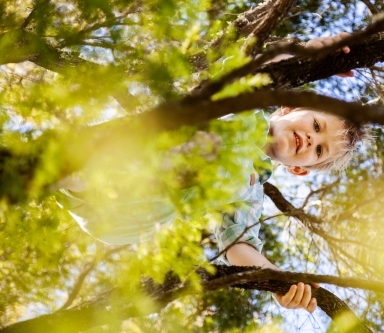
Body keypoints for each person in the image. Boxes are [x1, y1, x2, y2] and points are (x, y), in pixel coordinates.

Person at [57, 34, 367, 314]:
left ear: (299, 169)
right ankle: (60, 170)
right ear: (289, 107)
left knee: (230, 177)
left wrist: (278, 282)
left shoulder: (249, 194)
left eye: (319, 151)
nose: (313, 139)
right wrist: (309, 53)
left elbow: (240, 247)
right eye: (316, 126)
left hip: (124, 214)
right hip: (116, 159)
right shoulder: (247, 105)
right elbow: (258, 69)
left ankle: (69, 174)